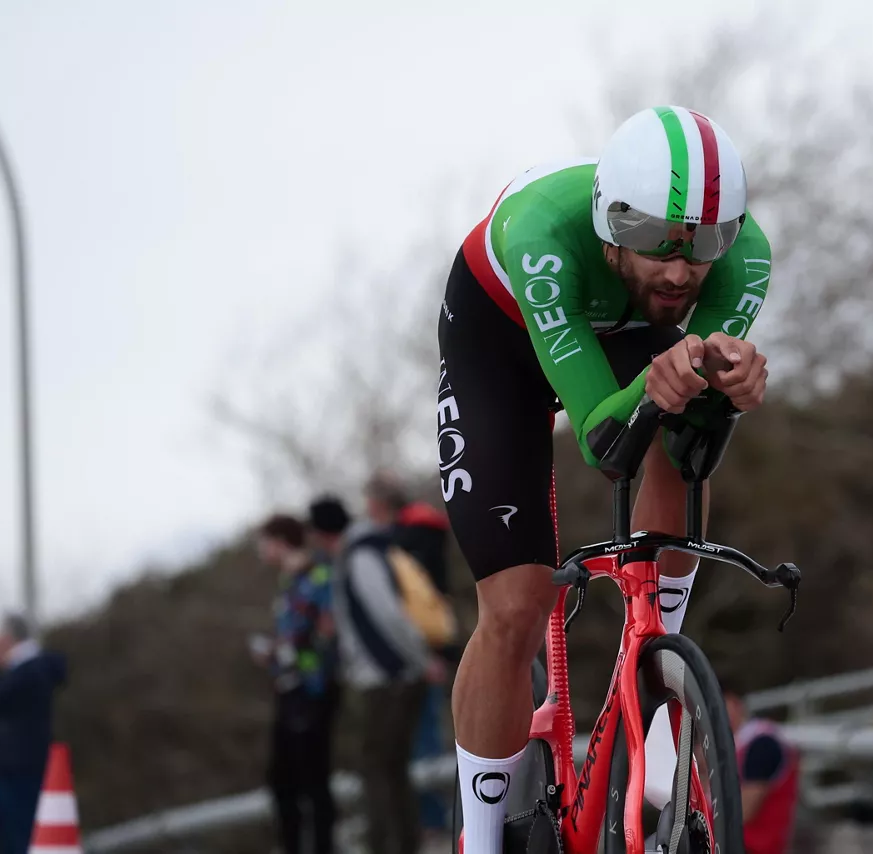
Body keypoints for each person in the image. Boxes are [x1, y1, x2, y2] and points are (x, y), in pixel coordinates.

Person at [438, 105, 772, 854]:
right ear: (610, 222)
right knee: (516, 604)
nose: (683, 271)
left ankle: (659, 668)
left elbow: (693, 426)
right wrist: (671, 383)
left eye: (704, 247)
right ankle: (483, 839)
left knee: (684, 427)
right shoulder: (541, 236)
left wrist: (727, 387)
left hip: (625, 337)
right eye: (656, 245)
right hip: (504, 340)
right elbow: (603, 439)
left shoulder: (745, 259)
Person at [323, 492, 438, 854]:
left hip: (389, 679)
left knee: (379, 767)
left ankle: (389, 844)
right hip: (393, 675)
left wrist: (418, 660)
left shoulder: (358, 557)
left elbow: (387, 614)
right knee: (390, 766)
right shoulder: (364, 551)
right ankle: (402, 841)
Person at [363, 471, 454, 837]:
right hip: (435, 636)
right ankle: (435, 815)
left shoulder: (399, 540)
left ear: (381, 505)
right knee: (427, 728)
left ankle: (432, 820)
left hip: (417, 645)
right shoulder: (428, 529)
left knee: (422, 732)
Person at [255, 514, 341, 854]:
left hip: (313, 691)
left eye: (263, 542)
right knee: (283, 781)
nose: (260, 550)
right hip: (290, 690)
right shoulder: (288, 581)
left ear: (279, 541)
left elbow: (324, 635)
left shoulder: (318, 575)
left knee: (313, 781)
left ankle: (323, 846)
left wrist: (286, 652)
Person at [0, 614, 66, 854]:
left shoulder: (26, 673)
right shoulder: (26, 672)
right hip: (16, 766)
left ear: (8, 639)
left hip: (17, 767)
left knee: (22, 836)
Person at [721, 680, 800, 854]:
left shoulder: (762, 744)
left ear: (735, 703)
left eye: (719, 704)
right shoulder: (737, 745)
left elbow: (743, 811)